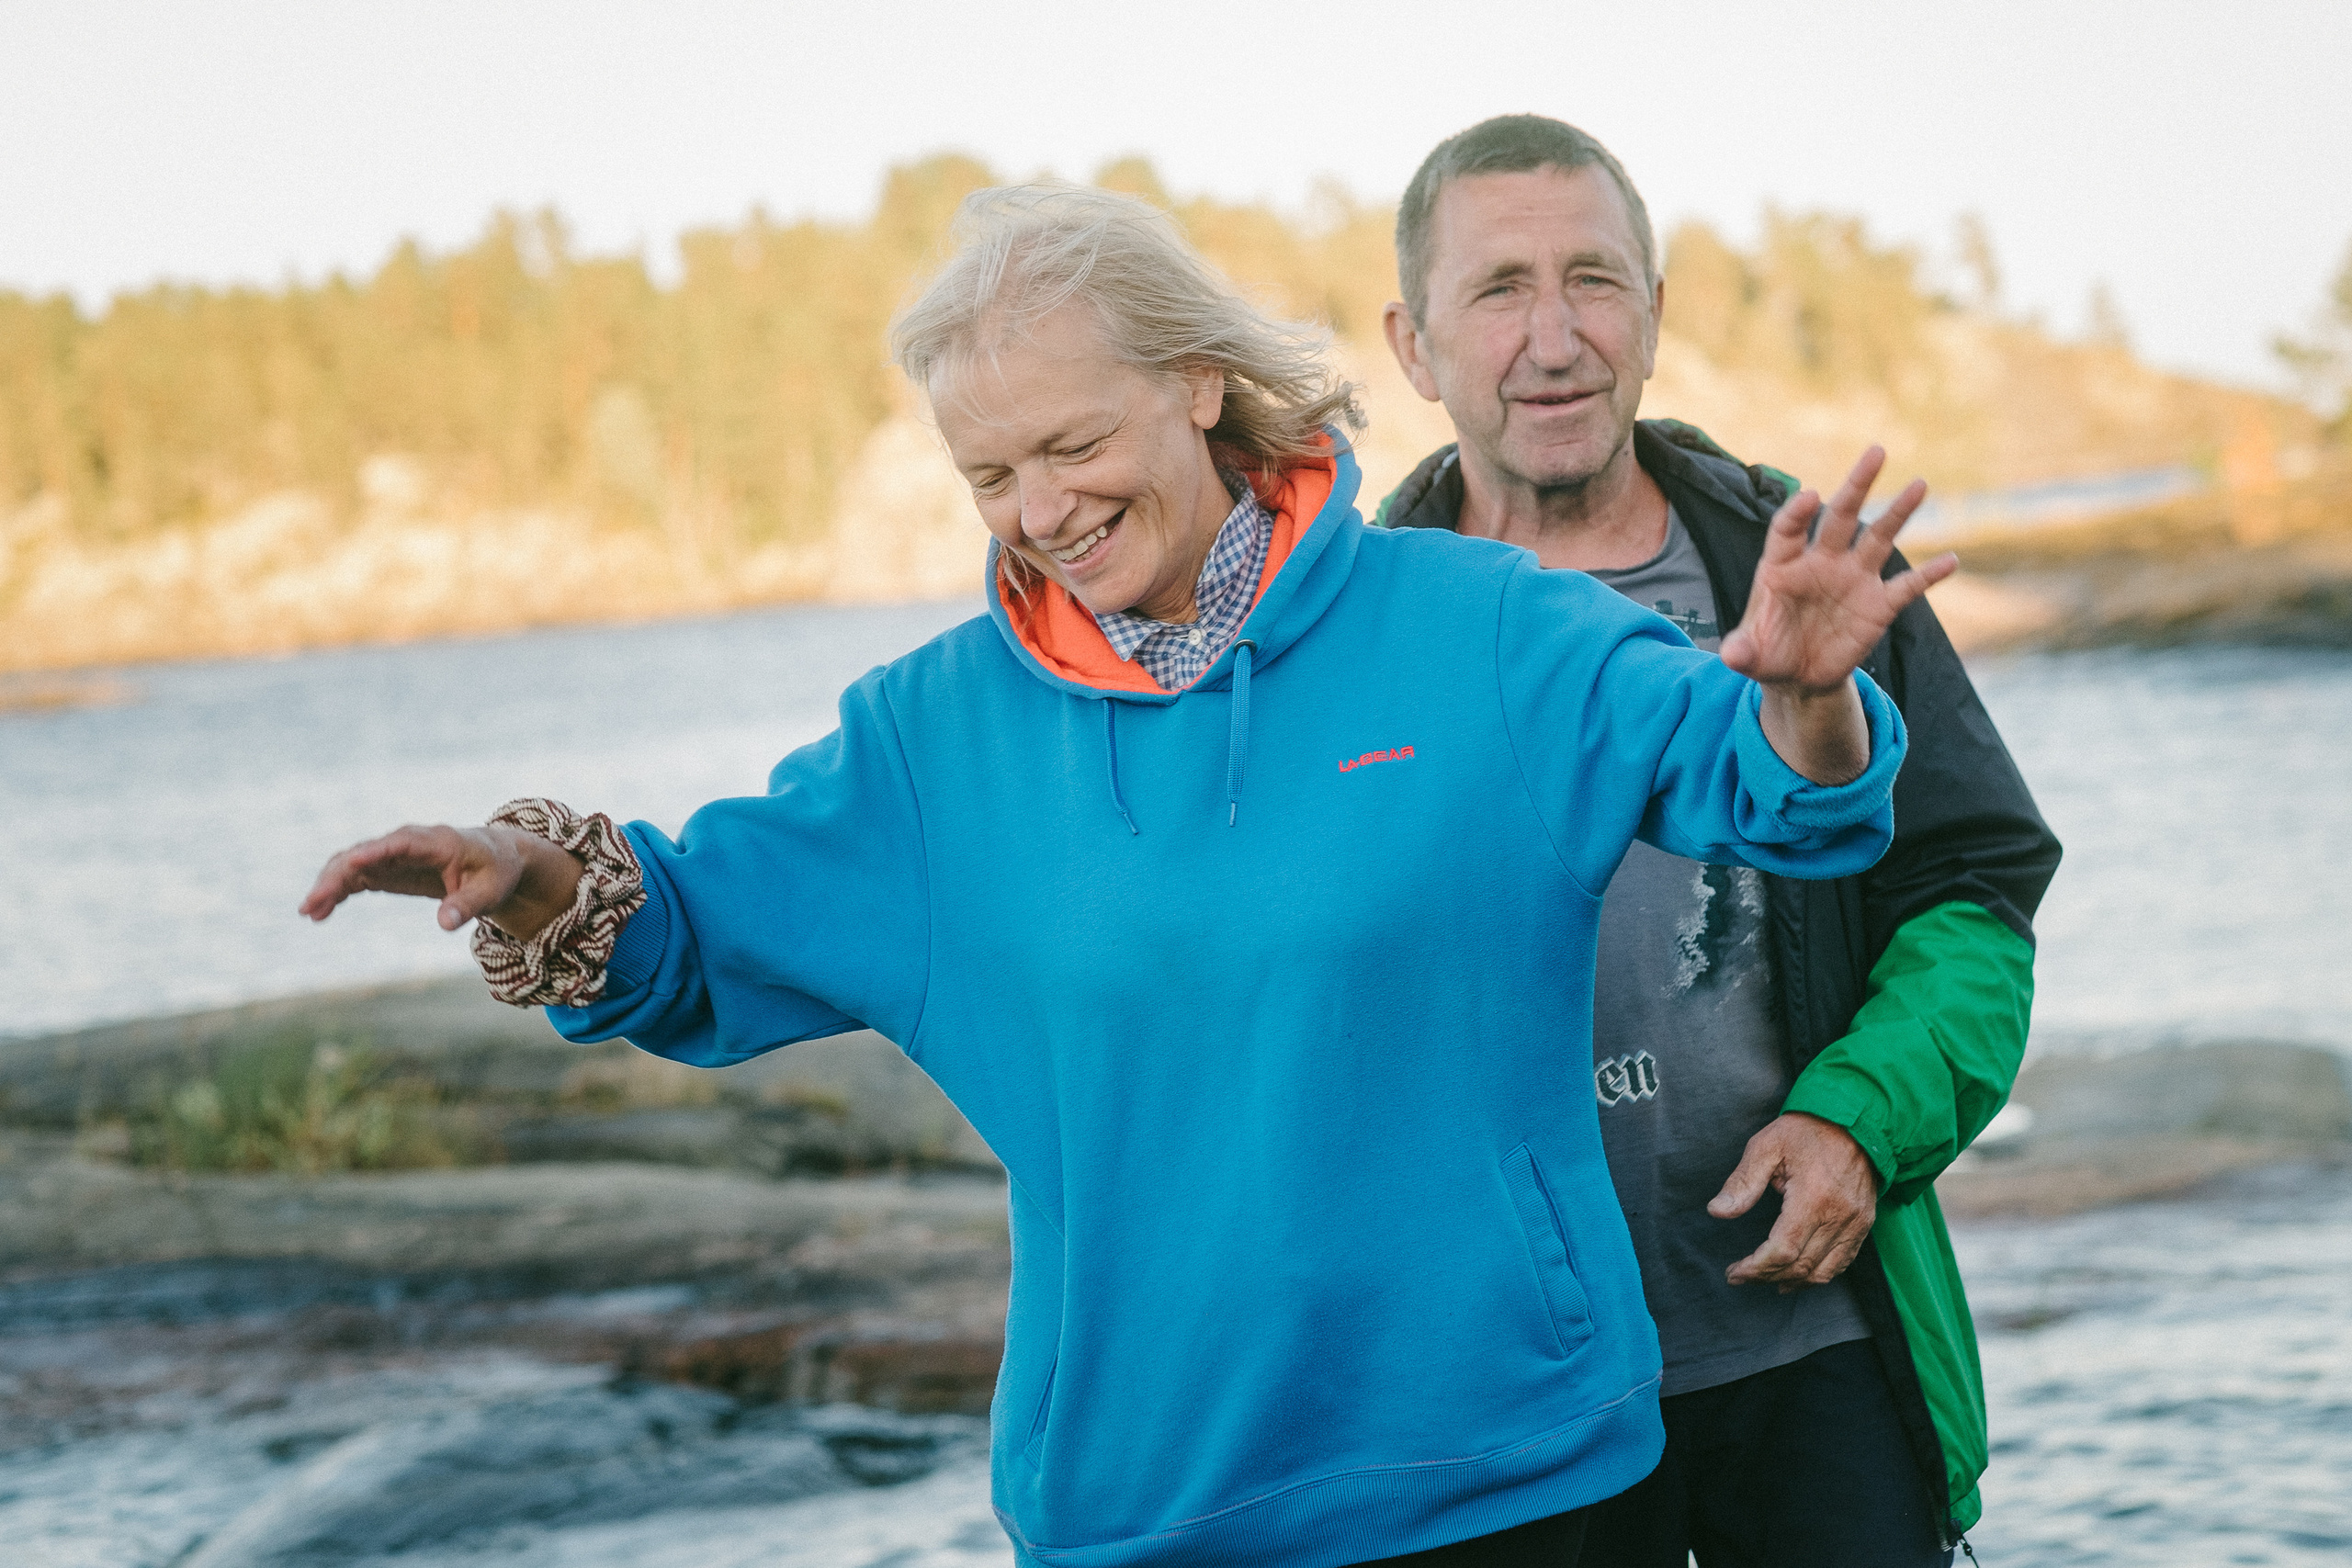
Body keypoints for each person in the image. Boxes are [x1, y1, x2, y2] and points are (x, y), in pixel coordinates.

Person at [302, 184, 1950, 1568]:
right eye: (989, 475)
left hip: (1510, 1475)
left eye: (1071, 444)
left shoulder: (1481, 627)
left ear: (1200, 387)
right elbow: (693, 937)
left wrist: (1804, 696)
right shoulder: (933, 742)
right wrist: (531, 875)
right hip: (1150, 1504)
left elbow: (1776, 798)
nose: (1040, 511)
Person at [1375, 116, 2063, 1565]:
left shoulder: (1806, 571)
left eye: (1595, 281)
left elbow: (1975, 901)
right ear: (1412, 344)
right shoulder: (1356, 637)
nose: (1555, 336)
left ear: (1656, 313)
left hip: (1811, 1348)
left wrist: (1858, 1120)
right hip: (1511, 1409)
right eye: (1499, 289)